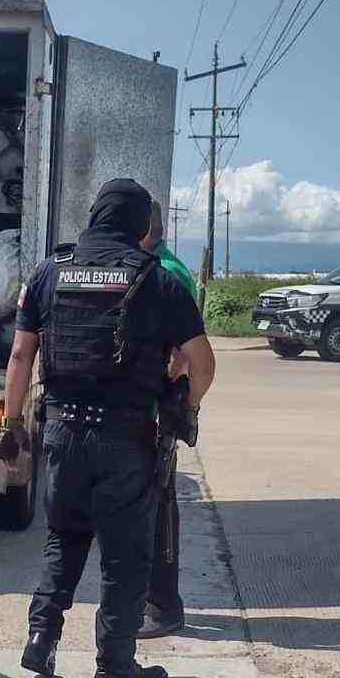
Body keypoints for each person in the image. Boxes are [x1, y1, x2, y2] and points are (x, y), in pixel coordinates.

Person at [0, 179, 215, 678]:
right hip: (127, 436)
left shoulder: (50, 272)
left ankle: (42, 637)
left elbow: (21, 356)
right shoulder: (159, 282)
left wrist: (11, 424)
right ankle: (114, 668)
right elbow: (204, 365)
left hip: (63, 430)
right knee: (124, 553)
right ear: (143, 227)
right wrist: (187, 408)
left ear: (94, 217)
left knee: (64, 536)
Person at [137, 201, 199, 639]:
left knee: (159, 505)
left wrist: (183, 410)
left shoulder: (166, 275)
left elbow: (185, 356)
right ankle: (152, 599)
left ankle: (164, 605)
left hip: (160, 408)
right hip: (158, 406)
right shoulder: (162, 267)